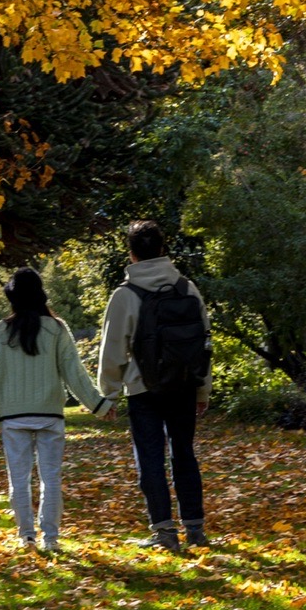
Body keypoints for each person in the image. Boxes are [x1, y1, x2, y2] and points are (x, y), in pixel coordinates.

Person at [97, 220, 213, 552]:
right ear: (163, 250)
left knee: (150, 458)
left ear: (131, 254)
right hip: (183, 386)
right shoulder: (187, 288)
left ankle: (164, 532)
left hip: (143, 389)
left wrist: (110, 394)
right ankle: (195, 529)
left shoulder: (125, 295)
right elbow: (203, 343)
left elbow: (113, 349)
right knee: (184, 454)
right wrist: (202, 390)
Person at [0, 267, 108, 554]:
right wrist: (98, 404)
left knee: (19, 479)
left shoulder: (1, 330)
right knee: (51, 479)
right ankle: (50, 537)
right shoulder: (57, 328)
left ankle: (26, 535)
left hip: (14, 418)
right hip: (50, 415)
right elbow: (74, 373)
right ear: (41, 295)